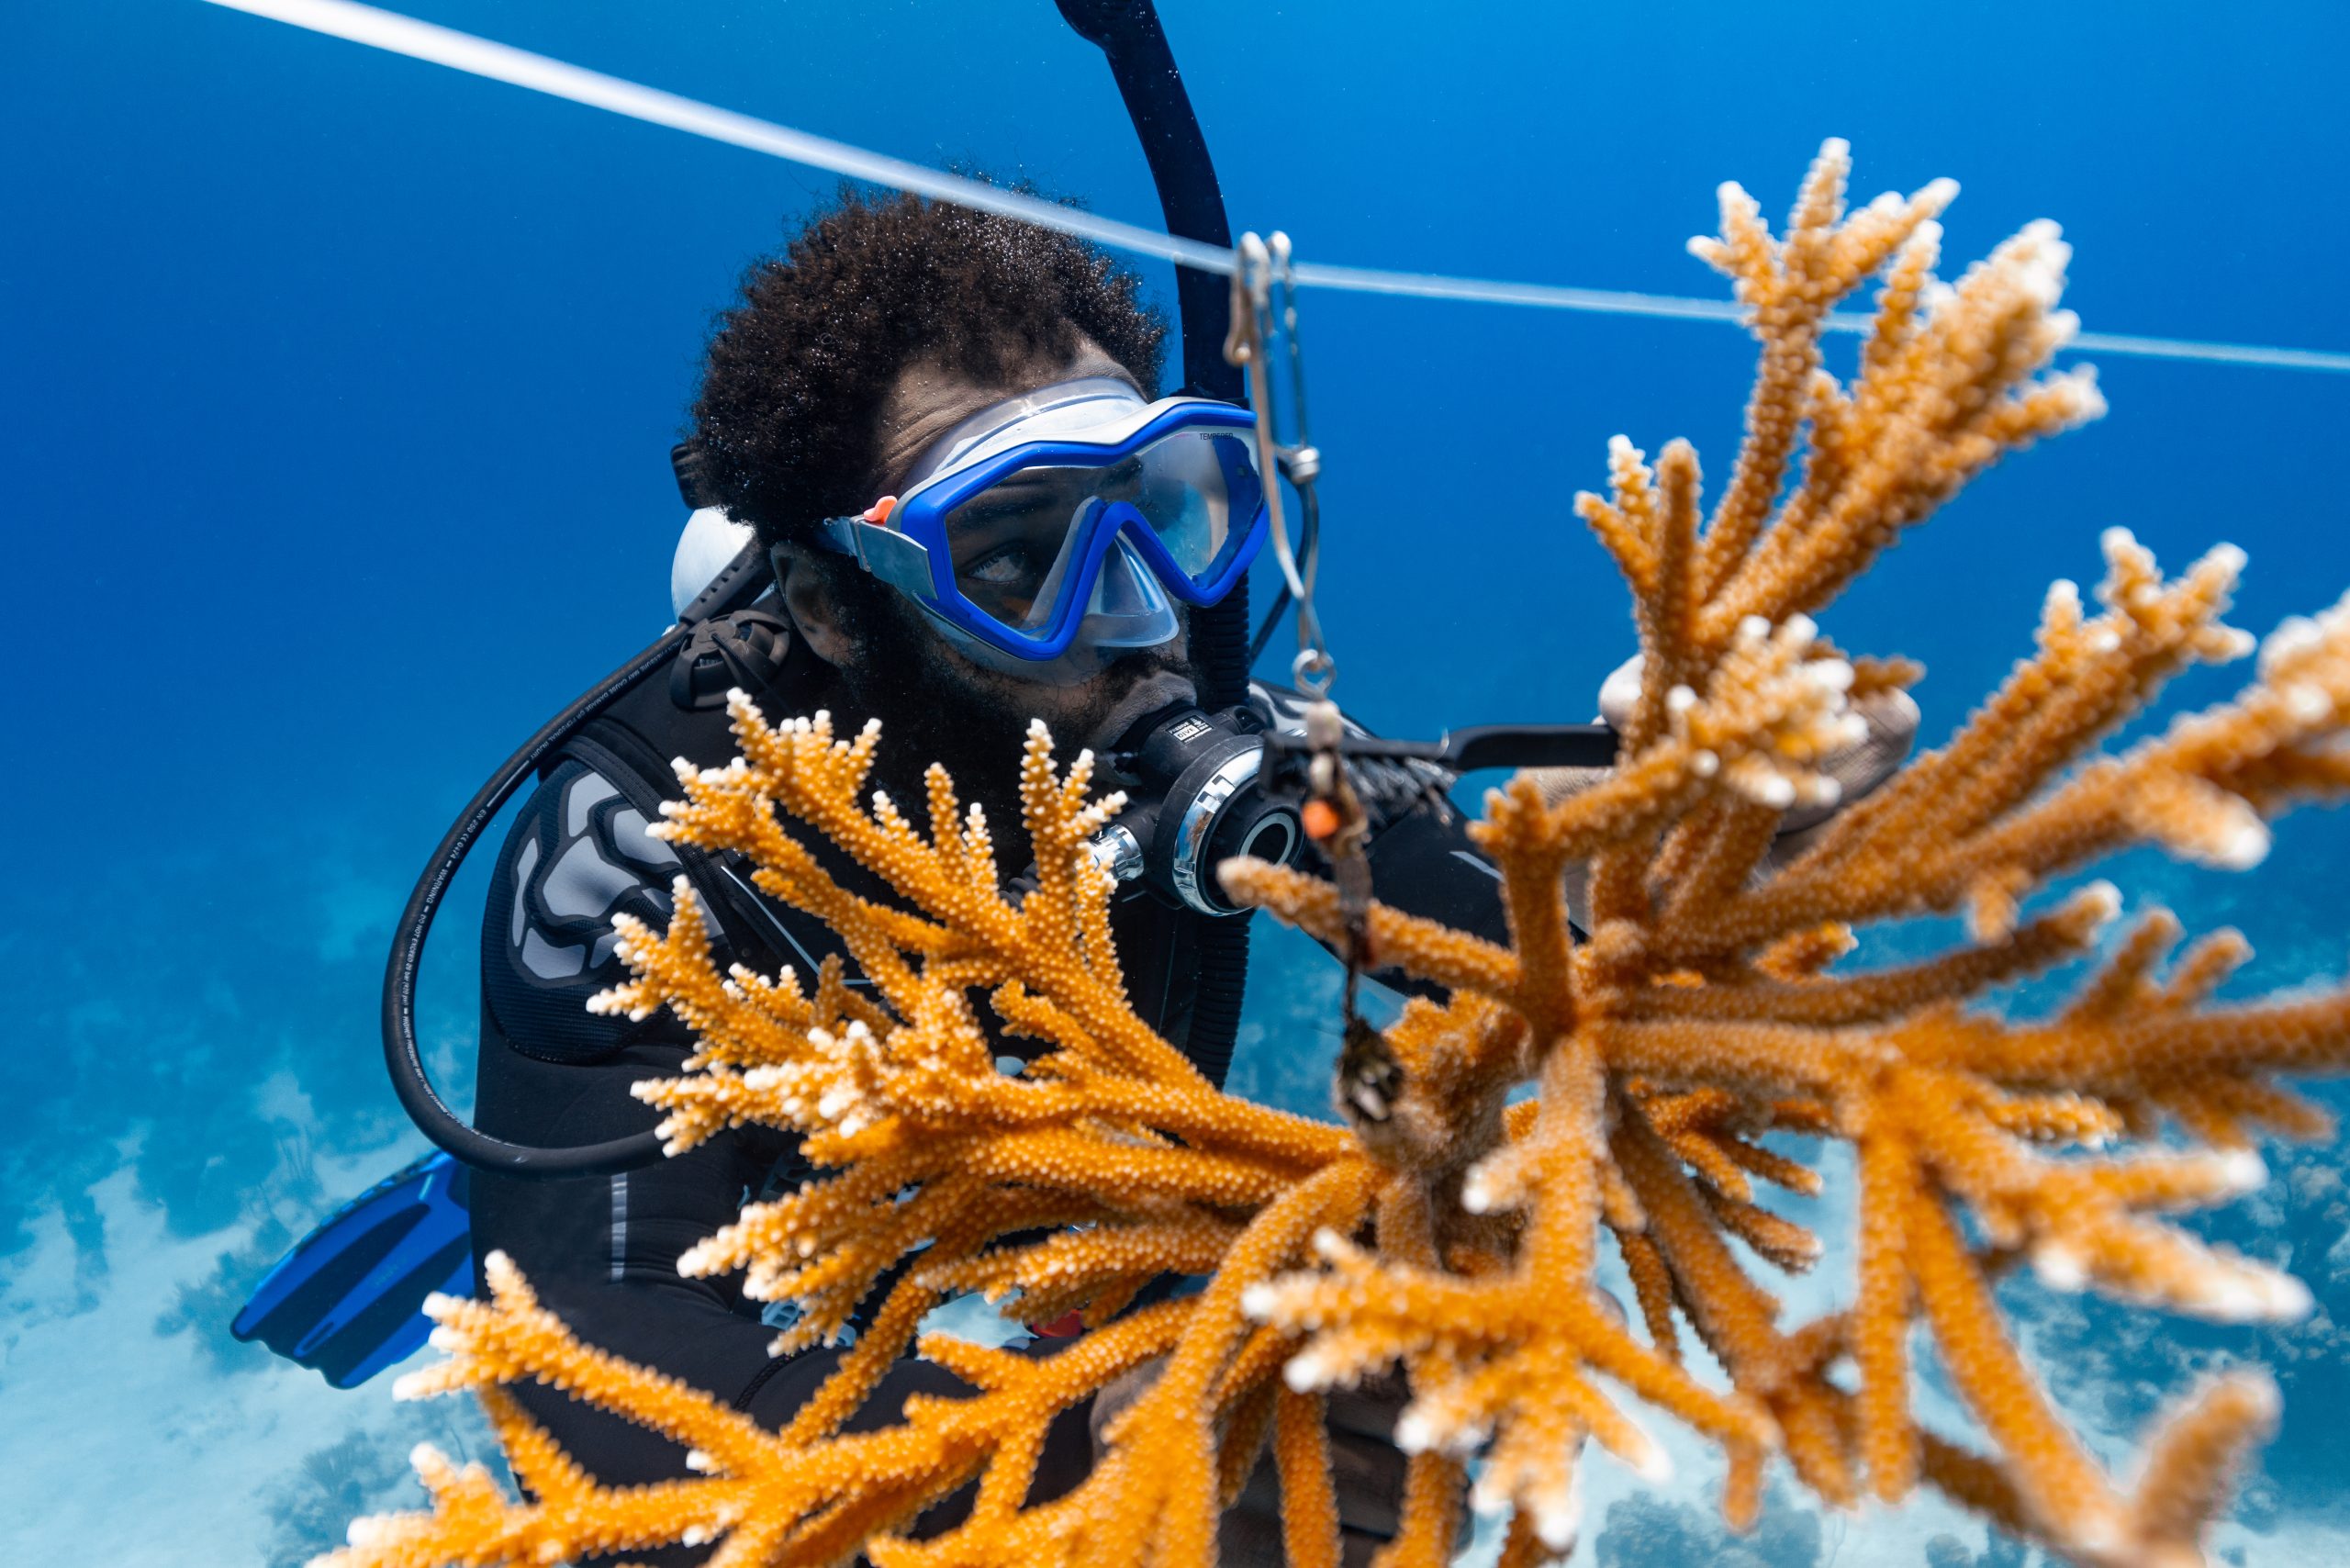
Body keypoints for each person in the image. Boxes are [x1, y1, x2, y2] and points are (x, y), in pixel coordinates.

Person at [467, 188, 1915, 1564]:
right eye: (1016, 557)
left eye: (1165, 509)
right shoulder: (639, 847)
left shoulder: (1186, 730)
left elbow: (1457, 903)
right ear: (835, 607)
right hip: (767, 1209)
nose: (1138, 609)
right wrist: (1115, 1481)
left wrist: (1639, 852)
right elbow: (590, 1376)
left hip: (1054, 1192)